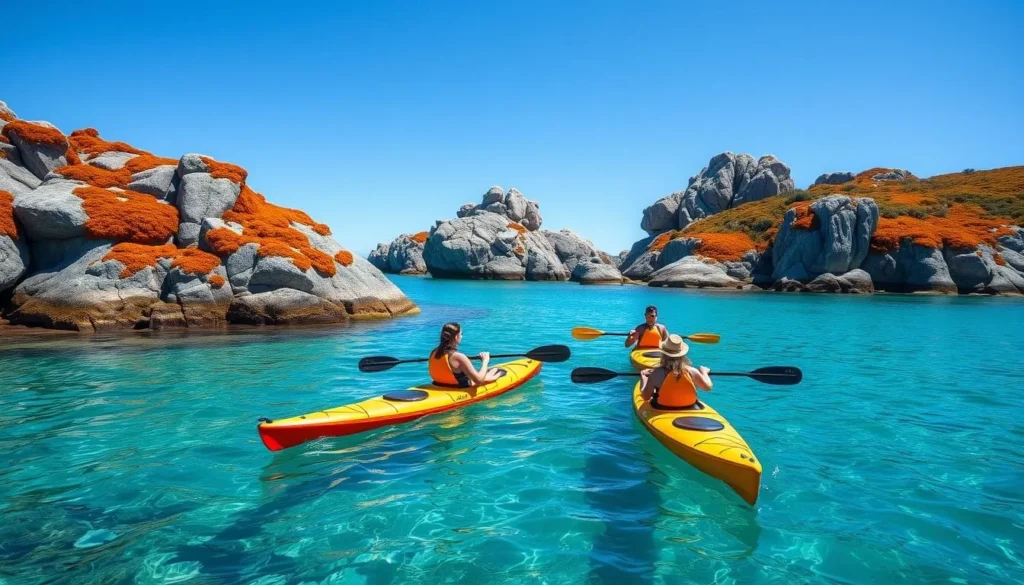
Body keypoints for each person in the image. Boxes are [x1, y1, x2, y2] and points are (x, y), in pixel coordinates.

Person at [639, 334, 713, 409]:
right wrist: (704, 372)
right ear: (682, 354)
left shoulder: (657, 373)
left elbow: (645, 397)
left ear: (663, 354)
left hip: (663, 408)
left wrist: (644, 379)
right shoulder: (692, 371)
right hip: (689, 407)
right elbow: (708, 387)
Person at [428, 322, 502, 387]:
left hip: (438, 384)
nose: (462, 336)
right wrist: (485, 361)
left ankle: (490, 375)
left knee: (492, 371)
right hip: (458, 387)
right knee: (495, 374)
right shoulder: (459, 356)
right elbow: (479, 381)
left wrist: (465, 361)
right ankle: (492, 376)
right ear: (456, 337)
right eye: (461, 334)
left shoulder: (433, 352)